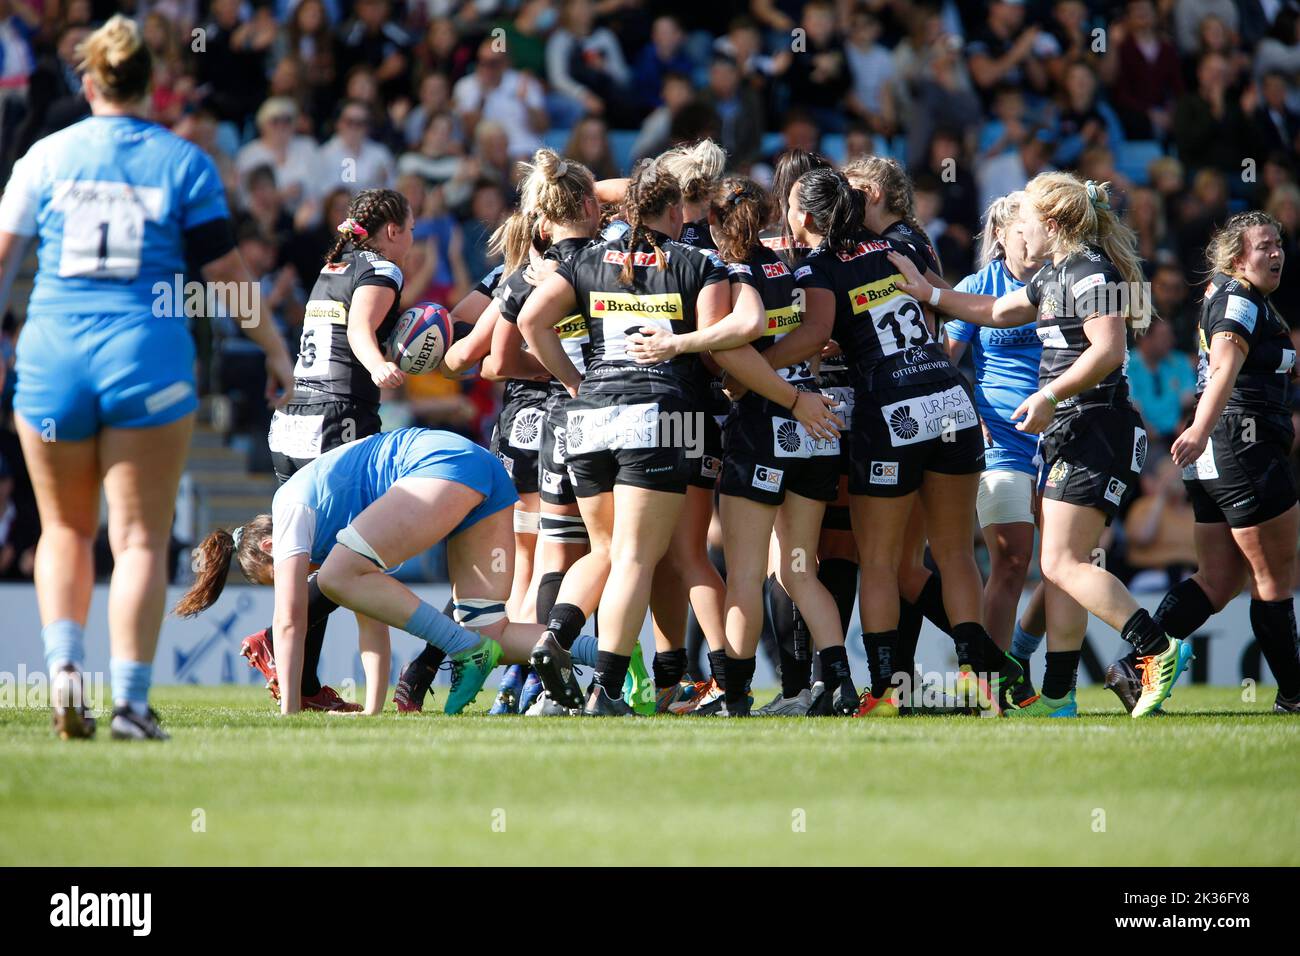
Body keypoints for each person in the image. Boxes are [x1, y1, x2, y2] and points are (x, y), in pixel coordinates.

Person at [0, 16, 294, 740]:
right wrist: (275, 348)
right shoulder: (184, 162)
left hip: (53, 355)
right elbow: (225, 276)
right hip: (147, 359)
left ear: (90, 79)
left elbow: (3, 257)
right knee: (137, 538)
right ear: (152, 83)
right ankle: (130, 704)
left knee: (63, 527)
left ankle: (64, 671)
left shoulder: (44, 157)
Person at [518, 159, 836, 716]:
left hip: (589, 417)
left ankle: (555, 642)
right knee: (645, 558)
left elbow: (529, 324)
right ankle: (613, 693)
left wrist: (574, 380)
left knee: (605, 551)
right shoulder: (698, 262)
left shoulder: (588, 258)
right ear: (675, 211)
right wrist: (687, 351)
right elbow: (729, 341)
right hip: (662, 418)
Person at [892, 173, 1191, 718]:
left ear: (1049, 224)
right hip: (1075, 430)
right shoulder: (1054, 276)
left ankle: (1157, 648)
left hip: (1094, 426)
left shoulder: (1091, 270)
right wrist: (930, 292)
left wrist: (1049, 394)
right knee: (1059, 565)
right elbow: (997, 313)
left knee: (1060, 562)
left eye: (1023, 214)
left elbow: (1107, 349)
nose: (1014, 222)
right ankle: (1057, 695)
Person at [174, 428, 603, 714]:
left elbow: (289, 621)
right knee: (492, 629)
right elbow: (372, 621)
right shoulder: (344, 532)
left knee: (334, 579)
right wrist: (372, 711)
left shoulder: (290, 510)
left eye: (285, 570)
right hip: (479, 467)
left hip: (442, 465)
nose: (303, 573)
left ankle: (464, 648)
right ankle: (614, 658)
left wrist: (290, 710)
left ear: (270, 547)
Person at [791, 168, 1007, 717]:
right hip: (950, 398)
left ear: (810, 217)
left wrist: (751, 370)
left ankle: (886, 692)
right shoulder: (901, 245)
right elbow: (931, 307)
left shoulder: (820, 264)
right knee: (956, 553)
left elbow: (815, 335)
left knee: (881, 563)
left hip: (892, 410)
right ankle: (986, 684)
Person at [639, 177, 853, 715]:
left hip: (762, 426)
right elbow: (813, 333)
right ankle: (841, 685)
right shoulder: (792, 264)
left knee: (746, 577)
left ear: (713, 220)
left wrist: (680, 342)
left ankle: (734, 698)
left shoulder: (729, 270)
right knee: (800, 570)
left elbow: (737, 342)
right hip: (817, 424)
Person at [1109, 212, 1299, 714]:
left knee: (1218, 579)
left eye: (1279, 243)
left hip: (1218, 450)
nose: (1276, 252)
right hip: (1242, 446)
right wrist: (1196, 429)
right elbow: (1223, 370)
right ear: (1238, 256)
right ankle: (1294, 695)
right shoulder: (1238, 298)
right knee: (1273, 579)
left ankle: (1135, 665)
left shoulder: (1236, 296)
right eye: (1264, 246)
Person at [239, 188, 414, 712]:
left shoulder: (333, 266)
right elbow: (359, 330)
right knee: (357, 558)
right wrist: (379, 365)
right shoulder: (383, 269)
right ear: (390, 232)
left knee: (312, 561)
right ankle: (277, 641)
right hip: (339, 420)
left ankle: (304, 687)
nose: (412, 239)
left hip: (293, 421)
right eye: (410, 227)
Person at [944, 192, 1048, 702]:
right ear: (1003, 235)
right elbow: (941, 362)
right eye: (1025, 228)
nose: (1035, 237)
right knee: (1011, 561)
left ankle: (1016, 658)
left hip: (1062, 439)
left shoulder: (1064, 280)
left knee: (1066, 566)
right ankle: (986, 687)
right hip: (1002, 442)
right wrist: (968, 417)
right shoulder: (976, 288)